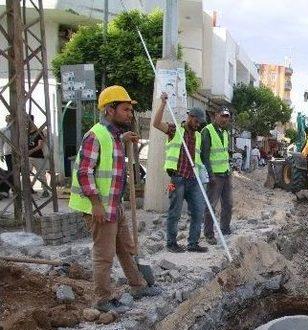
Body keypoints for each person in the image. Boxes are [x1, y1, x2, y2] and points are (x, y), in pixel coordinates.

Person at [69, 85, 160, 313]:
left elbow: (111, 152)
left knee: (126, 247)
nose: (130, 114)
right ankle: (102, 299)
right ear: (110, 110)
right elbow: (84, 172)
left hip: (114, 205)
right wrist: (96, 205)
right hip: (99, 208)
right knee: (104, 255)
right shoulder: (95, 135)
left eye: (130, 110)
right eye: (126, 110)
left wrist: (124, 138)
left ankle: (138, 286)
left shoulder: (113, 135)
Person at [153, 92, 208, 253]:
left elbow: (198, 158)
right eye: (197, 121)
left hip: (193, 179)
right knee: (175, 213)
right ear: (190, 117)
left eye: (200, 123)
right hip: (177, 179)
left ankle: (193, 243)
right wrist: (162, 104)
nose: (198, 125)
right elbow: (156, 123)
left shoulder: (198, 136)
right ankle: (171, 243)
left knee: (198, 211)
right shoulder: (174, 130)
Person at [201, 107, 233, 245]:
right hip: (215, 175)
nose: (225, 119)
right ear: (215, 115)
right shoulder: (207, 131)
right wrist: (210, 174)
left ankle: (225, 228)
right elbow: (205, 155)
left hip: (226, 173)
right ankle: (209, 234)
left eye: (227, 116)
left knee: (228, 204)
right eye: (222, 116)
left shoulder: (225, 133)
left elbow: (224, 153)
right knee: (211, 205)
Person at [27, 115, 49, 198]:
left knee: (42, 174)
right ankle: (29, 189)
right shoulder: (25, 133)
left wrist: (30, 151)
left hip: (38, 157)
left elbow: (40, 146)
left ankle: (45, 190)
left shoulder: (38, 132)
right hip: (28, 157)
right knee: (26, 174)